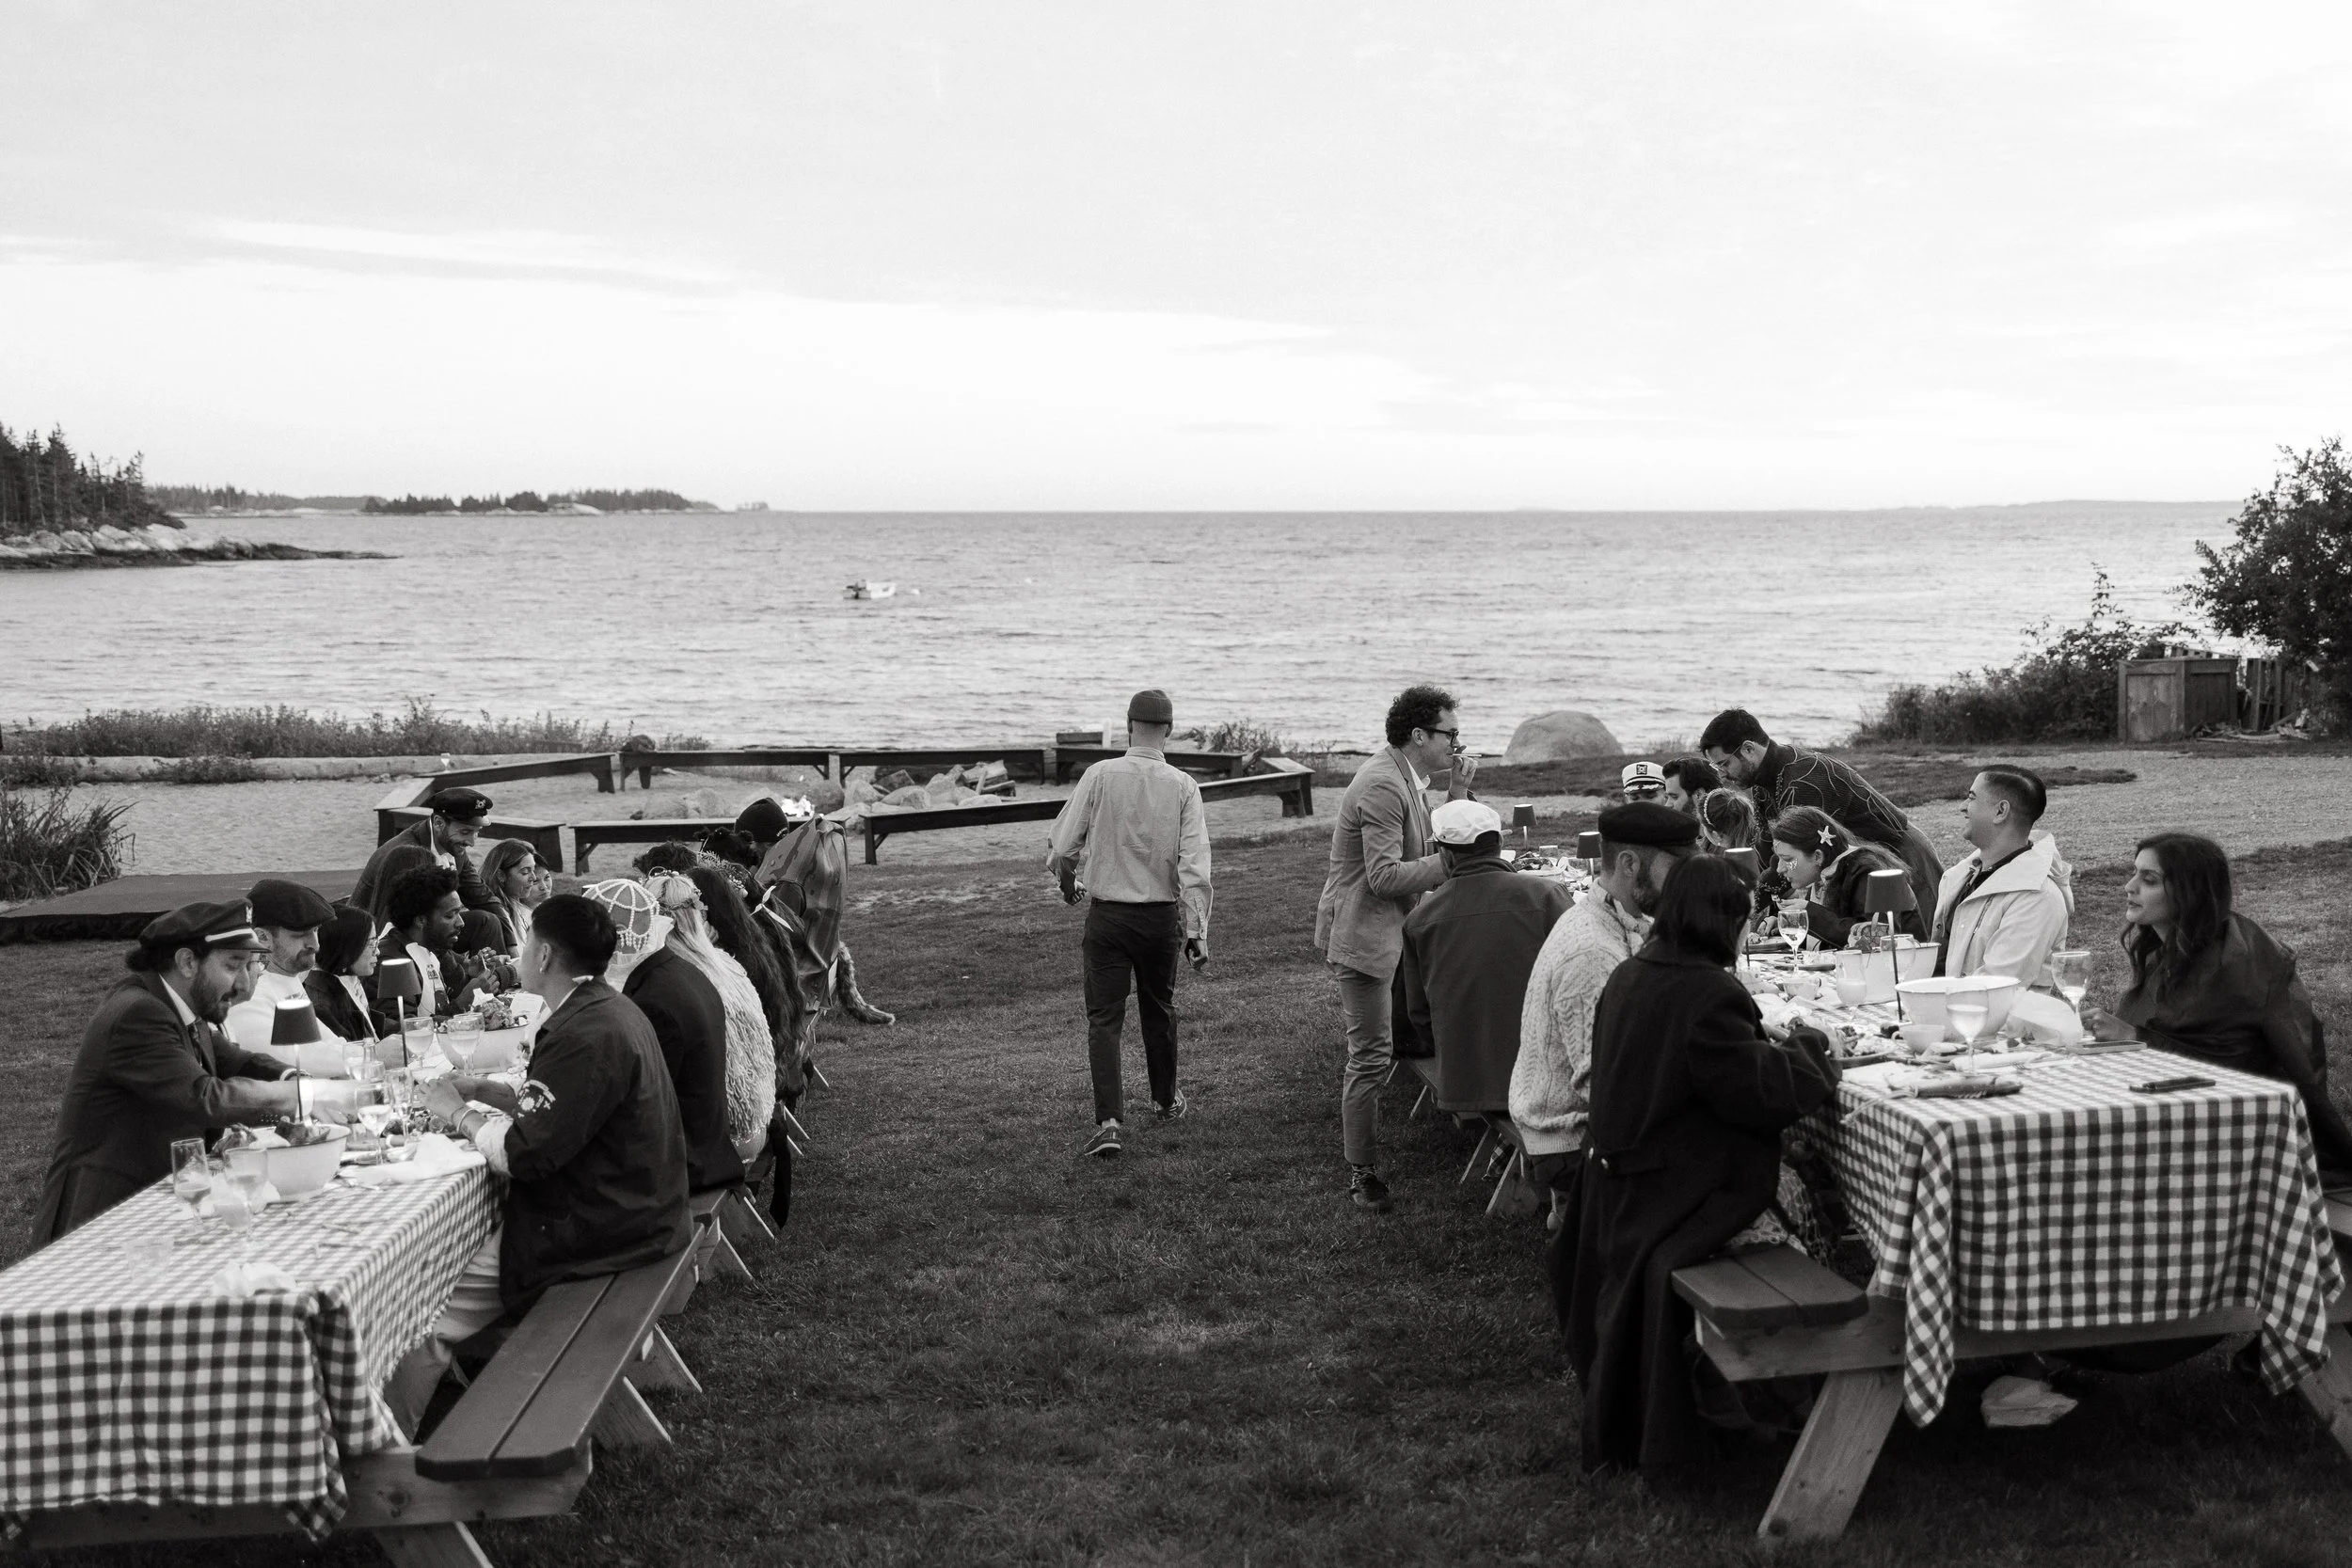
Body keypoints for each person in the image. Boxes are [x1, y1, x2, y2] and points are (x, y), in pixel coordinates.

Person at [1565, 855, 1842, 1471]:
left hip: (1622, 1182)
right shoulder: (1707, 991)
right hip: (1673, 1194)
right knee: (1804, 1198)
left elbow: (1718, 1072)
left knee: (1801, 1178)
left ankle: (1773, 1387)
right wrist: (1814, 1042)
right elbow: (1765, 1096)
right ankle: (1803, 1378)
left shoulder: (1634, 972)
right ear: (1726, 923)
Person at [393, 894, 692, 1433]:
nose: (521, 953)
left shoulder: (584, 1033)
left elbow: (523, 1156)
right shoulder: (607, 1008)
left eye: (527, 941)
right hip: (639, 1211)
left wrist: (457, 1112)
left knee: (416, 1317)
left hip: (600, 1230)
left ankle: (384, 1458)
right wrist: (487, 1090)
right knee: (446, 1258)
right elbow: (576, 1109)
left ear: (547, 954)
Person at [31, 901, 352, 1244]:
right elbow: (205, 1097)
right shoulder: (138, 1014)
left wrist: (294, 1079)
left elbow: (237, 1061)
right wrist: (302, 1096)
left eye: (249, 966)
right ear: (187, 962)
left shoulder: (180, 1005)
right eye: (233, 966)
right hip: (104, 1219)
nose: (244, 984)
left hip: (161, 1204)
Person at [1316, 683, 1478, 1212]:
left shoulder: (1407, 776)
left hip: (1396, 933)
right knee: (1369, 1056)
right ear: (1419, 735)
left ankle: (1470, 1107)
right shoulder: (1383, 784)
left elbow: (1425, 842)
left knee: (1420, 1027)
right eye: (1450, 734)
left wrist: (1457, 794)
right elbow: (1385, 877)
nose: (1456, 743)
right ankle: (1361, 1173)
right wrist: (1453, 864)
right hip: (1365, 936)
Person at [2111, 832, 2352, 1181]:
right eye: (2134, 873)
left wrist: (2135, 1036)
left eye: (2148, 880)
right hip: (2170, 1108)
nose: (2129, 887)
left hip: (2232, 1132)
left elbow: (2234, 1069)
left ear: (2189, 892)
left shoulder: (2234, 962)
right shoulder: (2167, 950)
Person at [1512, 802, 1699, 1246]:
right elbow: (1602, 1085)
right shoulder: (1592, 951)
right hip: (1570, 1138)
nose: (1686, 883)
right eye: (1677, 869)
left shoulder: (1612, 918)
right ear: (1630, 864)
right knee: (1735, 1160)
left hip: (1576, 1124)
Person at [1045, 688, 1214, 1158]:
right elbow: (1195, 865)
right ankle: (1164, 1101)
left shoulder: (1099, 775)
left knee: (1104, 1019)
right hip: (1160, 920)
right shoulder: (1184, 786)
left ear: (1127, 725)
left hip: (1109, 918)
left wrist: (1068, 886)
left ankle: (1110, 1123)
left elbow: (1063, 848)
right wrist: (1197, 930)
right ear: (1170, 729)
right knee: (1159, 1009)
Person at [1399, 800, 1573, 1125]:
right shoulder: (1548, 895)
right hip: (1548, 1075)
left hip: (1466, 1081)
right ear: (1500, 844)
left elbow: (1419, 1015)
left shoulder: (1420, 918)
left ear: (1446, 855)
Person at [582, 879, 743, 1194]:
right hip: (704, 1144)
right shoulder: (676, 969)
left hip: (683, 1162)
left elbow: (638, 1103)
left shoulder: (653, 1003)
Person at [1699, 708, 1943, 914]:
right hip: (1865, 867)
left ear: (1748, 749)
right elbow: (1769, 852)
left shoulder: (1804, 781)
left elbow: (1795, 858)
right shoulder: (1763, 782)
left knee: (1922, 946)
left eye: (1724, 764)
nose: (1722, 775)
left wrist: (1743, 908)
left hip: (1902, 856)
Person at [644, 869, 778, 1163]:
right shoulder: (724, 963)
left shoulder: (675, 980)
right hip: (759, 1119)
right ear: (698, 915)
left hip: (725, 1138)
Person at [1928, 766, 2075, 987]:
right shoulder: (1961, 875)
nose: (1962, 806)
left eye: (1971, 798)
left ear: (2000, 811)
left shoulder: (2038, 898)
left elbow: (1997, 987)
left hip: (1988, 1010)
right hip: (1942, 1005)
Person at [1770, 806, 1927, 948]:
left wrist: (1810, 914)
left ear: (1818, 856)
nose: (1780, 869)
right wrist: (1788, 924)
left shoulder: (1869, 871)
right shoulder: (1823, 874)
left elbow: (1876, 939)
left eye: (1788, 860)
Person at [222, 878, 342, 1056]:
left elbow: (330, 1042)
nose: (315, 945)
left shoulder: (286, 978)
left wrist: (370, 1052)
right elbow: (293, 1057)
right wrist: (370, 1054)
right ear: (262, 937)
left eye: (316, 930)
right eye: (300, 935)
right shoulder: (248, 993)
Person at [350, 786, 498, 918]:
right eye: (465, 832)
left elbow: (482, 898)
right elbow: (398, 922)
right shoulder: (407, 857)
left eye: (477, 832)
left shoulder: (452, 845)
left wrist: (508, 932)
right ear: (438, 823)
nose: (471, 842)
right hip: (376, 933)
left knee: (486, 921)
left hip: (426, 925)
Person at [378, 865, 490, 1020]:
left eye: (459, 912)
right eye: (450, 916)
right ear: (420, 920)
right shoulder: (391, 963)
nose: (461, 923)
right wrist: (460, 1006)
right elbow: (402, 1029)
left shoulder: (431, 948)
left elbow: (447, 1002)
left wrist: (473, 979)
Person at [306, 904, 388, 1042]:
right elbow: (349, 1051)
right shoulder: (321, 1003)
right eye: (371, 944)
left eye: (376, 942)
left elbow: (371, 1030)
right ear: (346, 947)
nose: (377, 951)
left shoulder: (347, 982)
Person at [477, 838, 551, 953]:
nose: (533, 878)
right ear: (501, 875)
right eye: (525, 872)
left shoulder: (516, 907)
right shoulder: (498, 915)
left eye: (533, 870)